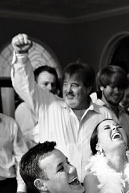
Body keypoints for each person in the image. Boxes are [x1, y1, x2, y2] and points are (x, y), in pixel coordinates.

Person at [10, 33, 115, 174]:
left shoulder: (104, 114)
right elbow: (23, 85)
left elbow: (115, 152)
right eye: (65, 84)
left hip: (95, 188)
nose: (68, 90)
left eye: (75, 85)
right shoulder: (49, 106)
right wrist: (21, 54)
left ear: (89, 88)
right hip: (58, 188)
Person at [14, 65, 59, 146]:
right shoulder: (25, 108)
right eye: (45, 84)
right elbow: (23, 142)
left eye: (53, 84)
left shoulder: (56, 108)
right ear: (35, 86)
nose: (50, 88)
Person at [96, 65, 129, 142]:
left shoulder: (125, 116)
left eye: (120, 87)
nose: (117, 91)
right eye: (112, 87)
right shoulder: (94, 112)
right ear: (102, 87)